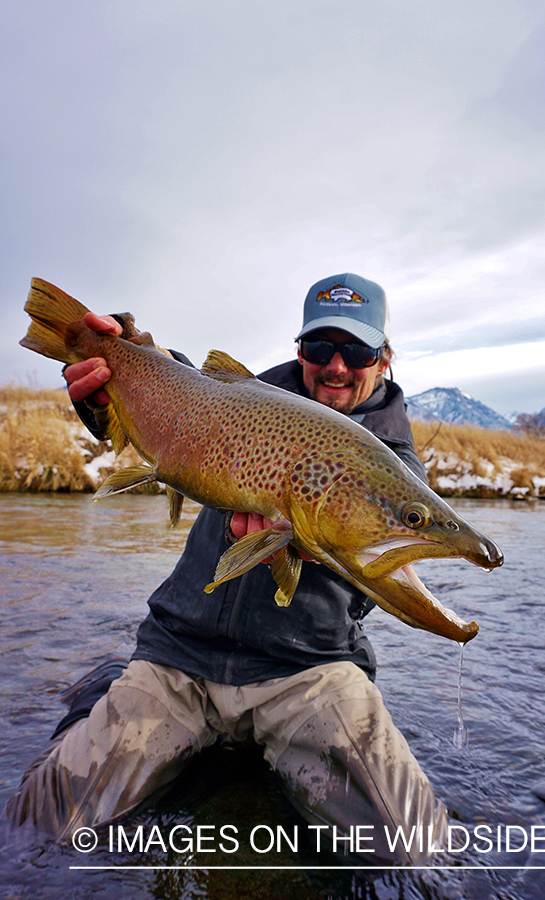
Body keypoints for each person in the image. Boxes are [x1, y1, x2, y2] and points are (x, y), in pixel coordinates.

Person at [6, 273, 447, 863]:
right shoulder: (244, 397)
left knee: (412, 849)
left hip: (307, 671)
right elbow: (179, 379)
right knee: (43, 828)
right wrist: (115, 360)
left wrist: (305, 549)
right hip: (180, 655)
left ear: (384, 359)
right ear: (300, 351)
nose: (336, 366)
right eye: (320, 348)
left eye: (357, 351)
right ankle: (96, 704)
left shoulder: (398, 473)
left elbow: (379, 588)